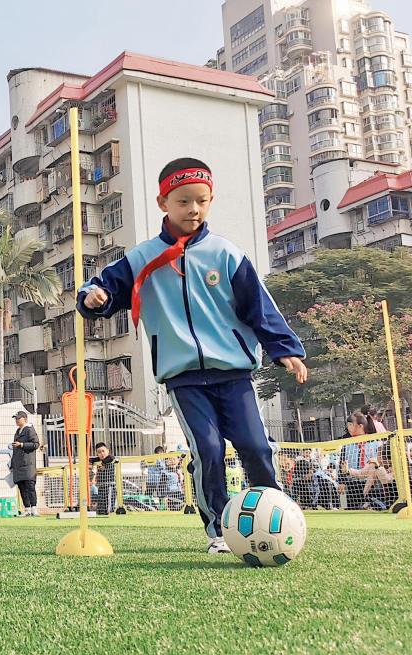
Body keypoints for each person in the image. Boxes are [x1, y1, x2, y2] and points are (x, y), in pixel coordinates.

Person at [78, 157, 307, 553]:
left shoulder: (226, 254)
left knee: (256, 446)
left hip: (233, 374)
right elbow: (101, 288)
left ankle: (275, 517)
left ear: (210, 200)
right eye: (183, 201)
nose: (194, 209)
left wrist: (284, 348)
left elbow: (260, 307)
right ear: (163, 203)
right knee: (208, 450)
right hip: (183, 378)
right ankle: (219, 529)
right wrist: (92, 297)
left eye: (202, 200)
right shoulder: (143, 258)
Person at [338, 413, 379, 509]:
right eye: (348, 425)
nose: (348, 427)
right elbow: (341, 464)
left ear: (360, 426)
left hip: (370, 483)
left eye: (351, 424)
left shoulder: (374, 443)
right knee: (352, 510)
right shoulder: (347, 444)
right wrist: (341, 481)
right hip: (352, 483)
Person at [10, 410, 41, 517]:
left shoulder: (29, 429)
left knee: (30, 486)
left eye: (19, 418)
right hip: (18, 465)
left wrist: (22, 445)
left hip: (28, 464)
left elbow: (36, 444)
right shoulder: (18, 431)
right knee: (21, 487)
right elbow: (15, 450)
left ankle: (34, 508)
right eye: (16, 418)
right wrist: (12, 464)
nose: (17, 420)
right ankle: (27, 509)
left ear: (25, 418)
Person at [90, 442, 118, 516]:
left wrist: (102, 463)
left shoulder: (111, 459)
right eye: (99, 452)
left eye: (103, 451)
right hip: (100, 488)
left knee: (108, 509)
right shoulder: (97, 461)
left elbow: (111, 458)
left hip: (110, 487)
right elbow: (91, 460)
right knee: (100, 510)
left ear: (107, 451)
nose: (102, 453)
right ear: (97, 454)